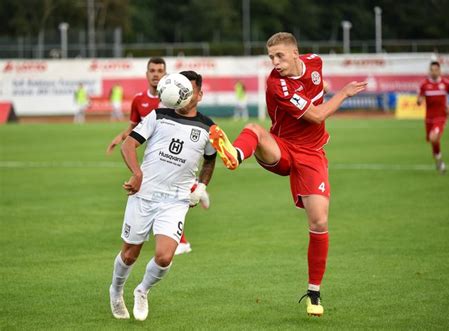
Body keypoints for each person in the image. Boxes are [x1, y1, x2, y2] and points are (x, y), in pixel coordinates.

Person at [209, 32, 366, 317]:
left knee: (319, 221)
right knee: (254, 129)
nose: (275, 62)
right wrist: (343, 93)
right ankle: (235, 155)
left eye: (280, 56)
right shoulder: (277, 83)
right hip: (281, 149)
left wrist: (325, 87)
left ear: (296, 54)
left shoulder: (315, 62)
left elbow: (317, 83)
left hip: (312, 154)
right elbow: (317, 116)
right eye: (271, 57)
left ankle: (314, 293)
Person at [109, 71, 216, 321]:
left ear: (200, 94)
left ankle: (142, 290)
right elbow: (129, 145)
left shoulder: (208, 127)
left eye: (189, 91)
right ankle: (116, 290)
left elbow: (210, 161)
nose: (185, 95)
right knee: (129, 254)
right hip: (144, 194)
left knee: (165, 256)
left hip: (175, 201)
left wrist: (201, 187)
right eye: (181, 89)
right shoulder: (158, 115)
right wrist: (137, 173)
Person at [105, 57, 194, 254]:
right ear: (147, 74)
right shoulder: (139, 100)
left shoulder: (174, 99)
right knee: (157, 197)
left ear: (165, 75)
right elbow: (133, 127)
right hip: (151, 159)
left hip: (173, 157)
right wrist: (120, 137)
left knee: (169, 197)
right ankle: (178, 238)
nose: (155, 74)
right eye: (152, 70)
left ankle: (180, 239)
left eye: (160, 70)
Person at [417, 61, 449, 174]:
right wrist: (419, 101)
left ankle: (439, 160)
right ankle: (439, 160)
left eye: (436, 70)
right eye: (432, 70)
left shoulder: (446, 83)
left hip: (441, 117)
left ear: (439, 71)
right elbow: (419, 99)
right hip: (429, 118)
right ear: (429, 71)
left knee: (433, 137)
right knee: (432, 140)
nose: (434, 72)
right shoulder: (424, 84)